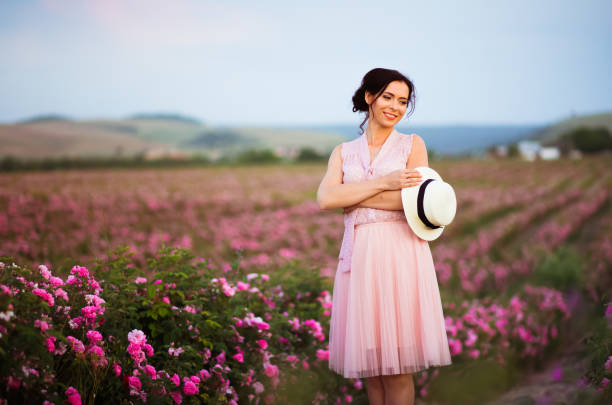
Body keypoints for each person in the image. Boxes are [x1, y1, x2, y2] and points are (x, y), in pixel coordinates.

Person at [316, 68, 452, 405]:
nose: (395, 106)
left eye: (403, 101)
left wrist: (352, 194)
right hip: (359, 259)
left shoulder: (412, 145)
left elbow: (415, 202)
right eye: (388, 97)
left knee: (397, 369)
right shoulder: (342, 151)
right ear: (369, 97)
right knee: (372, 371)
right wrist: (384, 183)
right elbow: (326, 199)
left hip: (400, 256)